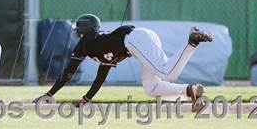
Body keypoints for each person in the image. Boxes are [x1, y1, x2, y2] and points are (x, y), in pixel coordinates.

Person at [34, 14, 213, 111]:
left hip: (135, 39)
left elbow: (68, 72)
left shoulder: (86, 42)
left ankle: (192, 41)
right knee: (151, 87)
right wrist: (87, 98)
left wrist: (50, 93)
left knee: (167, 73)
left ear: (85, 31)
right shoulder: (98, 46)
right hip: (138, 40)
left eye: (79, 31)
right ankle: (190, 90)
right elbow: (100, 77)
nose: (77, 34)